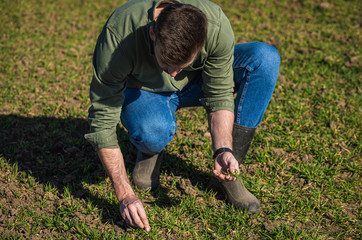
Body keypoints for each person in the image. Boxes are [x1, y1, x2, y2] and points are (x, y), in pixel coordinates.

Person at [85, 0, 280, 232]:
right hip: (144, 91)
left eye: (182, 65)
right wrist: (125, 194)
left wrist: (223, 150)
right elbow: (103, 119)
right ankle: (150, 148)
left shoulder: (215, 24)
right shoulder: (119, 34)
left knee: (264, 59)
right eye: (167, 63)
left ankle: (228, 172)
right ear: (152, 33)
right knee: (152, 132)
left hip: (196, 82)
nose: (175, 73)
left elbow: (219, 93)